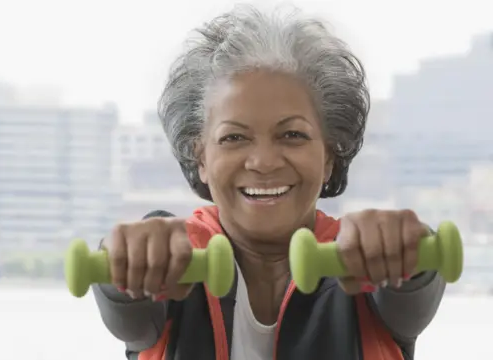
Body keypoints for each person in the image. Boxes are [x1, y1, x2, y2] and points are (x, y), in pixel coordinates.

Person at [92, 4, 445, 360]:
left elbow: (416, 287)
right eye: (234, 138)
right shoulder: (174, 261)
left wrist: (405, 247)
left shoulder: (367, 265)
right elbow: (129, 314)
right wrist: (127, 258)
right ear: (200, 158)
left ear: (328, 157)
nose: (262, 162)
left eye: (292, 134)